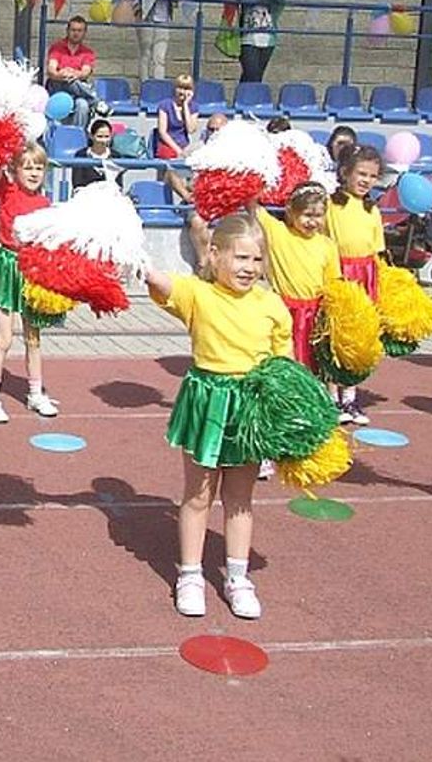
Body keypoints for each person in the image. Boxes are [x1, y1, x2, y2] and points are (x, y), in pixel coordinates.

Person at [145, 215, 292, 619]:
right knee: (198, 494)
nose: (249, 267)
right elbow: (161, 282)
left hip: (249, 406)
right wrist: (134, 260)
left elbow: (284, 364)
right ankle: (190, 575)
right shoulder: (198, 294)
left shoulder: (271, 305)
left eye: (257, 259)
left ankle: (237, 577)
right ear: (214, 254)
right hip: (207, 401)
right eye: (241, 256)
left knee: (240, 497)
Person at [0, 142, 59, 424]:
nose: (34, 172)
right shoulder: (6, 190)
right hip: (9, 266)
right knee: (4, 338)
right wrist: (0, 139)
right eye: (28, 166)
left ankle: (35, 392)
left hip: (33, 270)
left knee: (33, 338)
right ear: (15, 169)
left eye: (39, 167)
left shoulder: (45, 203)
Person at [247, 182, 341, 372]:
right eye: (307, 215)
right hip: (284, 310)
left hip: (314, 315)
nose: (312, 221)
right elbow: (252, 206)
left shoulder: (327, 245)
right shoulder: (278, 232)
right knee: (282, 360)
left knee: (312, 364)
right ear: (291, 213)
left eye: (318, 216)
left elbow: (334, 283)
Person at [325, 144, 385, 425]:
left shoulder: (373, 209)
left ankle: (350, 399)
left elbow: (377, 250)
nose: (366, 180)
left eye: (373, 176)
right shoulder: (331, 204)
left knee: (356, 340)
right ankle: (331, 398)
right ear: (345, 172)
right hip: (339, 274)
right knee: (334, 339)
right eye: (361, 173)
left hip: (366, 276)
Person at [165, 112, 229, 269]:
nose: (213, 134)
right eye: (211, 129)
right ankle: (204, 265)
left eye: (218, 130)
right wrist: (185, 194)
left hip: (228, 202)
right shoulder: (194, 149)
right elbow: (172, 172)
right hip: (199, 201)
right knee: (197, 222)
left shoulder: (237, 151)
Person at [232, 0, 286, 83]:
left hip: (268, 38)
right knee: (251, 73)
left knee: (256, 76)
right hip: (248, 36)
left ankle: (244, 99)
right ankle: (246, 100)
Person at [45, 16, 97, 129]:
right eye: (73, 30)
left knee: (82, 104)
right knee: (68, 81)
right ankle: (95, 100)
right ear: (67, 31)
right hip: (58, 87)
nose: (76, 33)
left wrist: (73, 74)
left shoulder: (87, 52)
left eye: (79, 31)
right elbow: (51, 70)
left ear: (84, 33)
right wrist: (62, 74)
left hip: (77, 92)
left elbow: (85, 73)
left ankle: (77, 139)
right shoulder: (57, 48)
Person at [155, 74, 199, 160]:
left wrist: (185, 105)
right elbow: (162, 132)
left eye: (186, 89)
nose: (182, 92)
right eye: (180, 88)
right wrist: (178, 150)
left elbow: (190, 129)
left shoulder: (194, 107)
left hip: (185, 145)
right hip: (167, 145)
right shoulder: (164, 105)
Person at [71, 119, 123, 189]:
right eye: (100, 136)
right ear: (91, 136)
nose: (103, 141)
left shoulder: (116, 156)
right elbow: (77, 184)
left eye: (107, 136)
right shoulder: (81, 155)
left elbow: (118, 184)